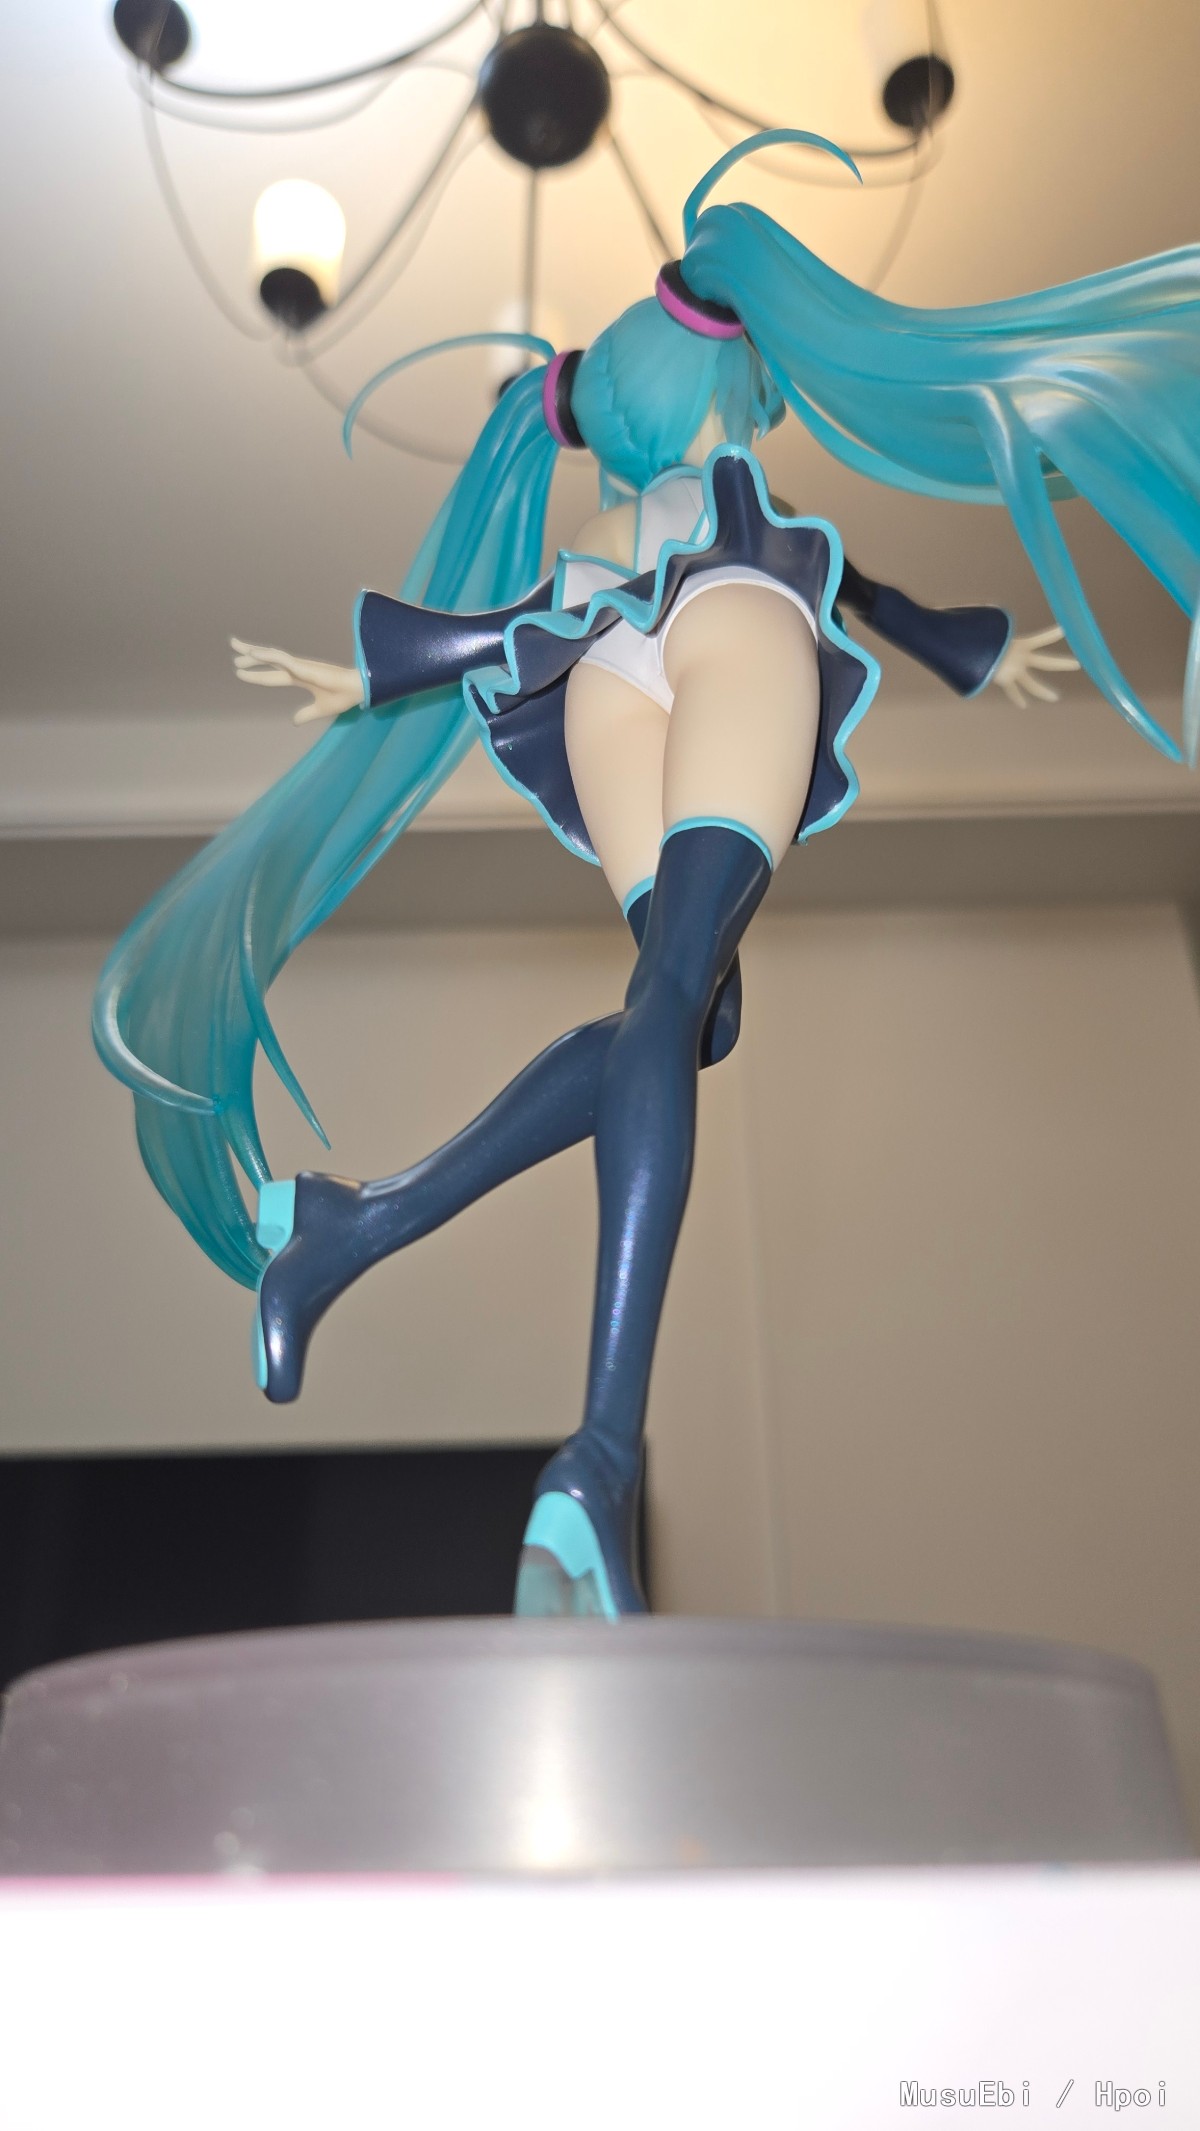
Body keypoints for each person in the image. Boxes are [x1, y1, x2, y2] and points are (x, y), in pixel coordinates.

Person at [94, 131, 1200, 1619]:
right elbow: (840, 575)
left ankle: (356, 1222)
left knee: (683, 1013)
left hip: (597, 678)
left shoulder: (609, 520)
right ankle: (599, 1457)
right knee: (676, 997)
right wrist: (959, 645)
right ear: (715, 384)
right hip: (727, 624)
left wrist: (377, 668)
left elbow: (521, 625)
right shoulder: (726, 483)